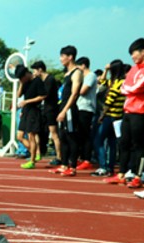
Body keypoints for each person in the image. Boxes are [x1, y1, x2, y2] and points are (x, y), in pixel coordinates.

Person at [104, 38, 144, 188]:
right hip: (128, 111)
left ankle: (139, 175)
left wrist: (127, 89)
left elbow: (137, 88)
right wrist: (127, 89)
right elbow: (125, 85)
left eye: (134, 53)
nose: (132, 57)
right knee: (124, 143)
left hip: (142, 112)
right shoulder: (135, 68)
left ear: (143, 52)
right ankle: (122, 173)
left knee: (139, 145)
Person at [53, 45, 83, 177]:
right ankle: (64, 164)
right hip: (62, 107)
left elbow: (75, 93)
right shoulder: (66, 74)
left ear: (70, 57)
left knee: (72, 138)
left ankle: (73, 167)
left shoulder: (77, 72)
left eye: (62, 56)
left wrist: (65, 110)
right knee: (63, 137)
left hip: (70, 109)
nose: (60, 59)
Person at [93, 60, 126, 177]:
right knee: (112, 143)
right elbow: (100, 80)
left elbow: (109, 101)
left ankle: (103, 166)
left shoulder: (118, 83)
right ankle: (110, 167)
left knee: (98, 140)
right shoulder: (117, 81)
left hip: (111, 116)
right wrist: (105, 70)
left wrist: (102, 115)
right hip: (117, 117)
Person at [16, 65, 47, 169]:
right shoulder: (25, 82)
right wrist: (21, 84)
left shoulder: (37, 81)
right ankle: (35, 152)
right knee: (19, 136)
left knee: (31, 135)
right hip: (25, 110)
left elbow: (43, 96)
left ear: (26, 74)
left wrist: (27, 101)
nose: (21, 80)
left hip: (34, 111)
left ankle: (32, 160)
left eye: (21, 78)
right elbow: (19, 95)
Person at [31, 61, 61, 166]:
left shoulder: (50, 79)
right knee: (38, 131)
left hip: (51, 110)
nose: (33, 72)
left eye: (35, 70)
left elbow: (44, 95)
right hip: (45, 109)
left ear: (40, 69)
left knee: (54, 134)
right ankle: (39, 152)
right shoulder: (42, 80)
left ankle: (59, 157)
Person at [75, 56, 98, 171]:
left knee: (85, 135)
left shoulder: (91, 76)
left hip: (86, 108)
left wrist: (75, 87)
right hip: (80, 107)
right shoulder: (85, 76)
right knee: (80, 135)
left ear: (83, 65)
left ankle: (87, 159)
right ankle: (82, 157)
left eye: (78, 66)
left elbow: (83, 91)